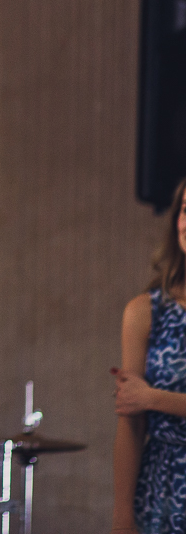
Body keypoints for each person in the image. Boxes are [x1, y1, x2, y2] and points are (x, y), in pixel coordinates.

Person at [112, 176, 186, 534]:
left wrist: (153, 397)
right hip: (162, 489)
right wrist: (122, 515)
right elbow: (131, 419)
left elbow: (142, 400)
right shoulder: (146, 311)